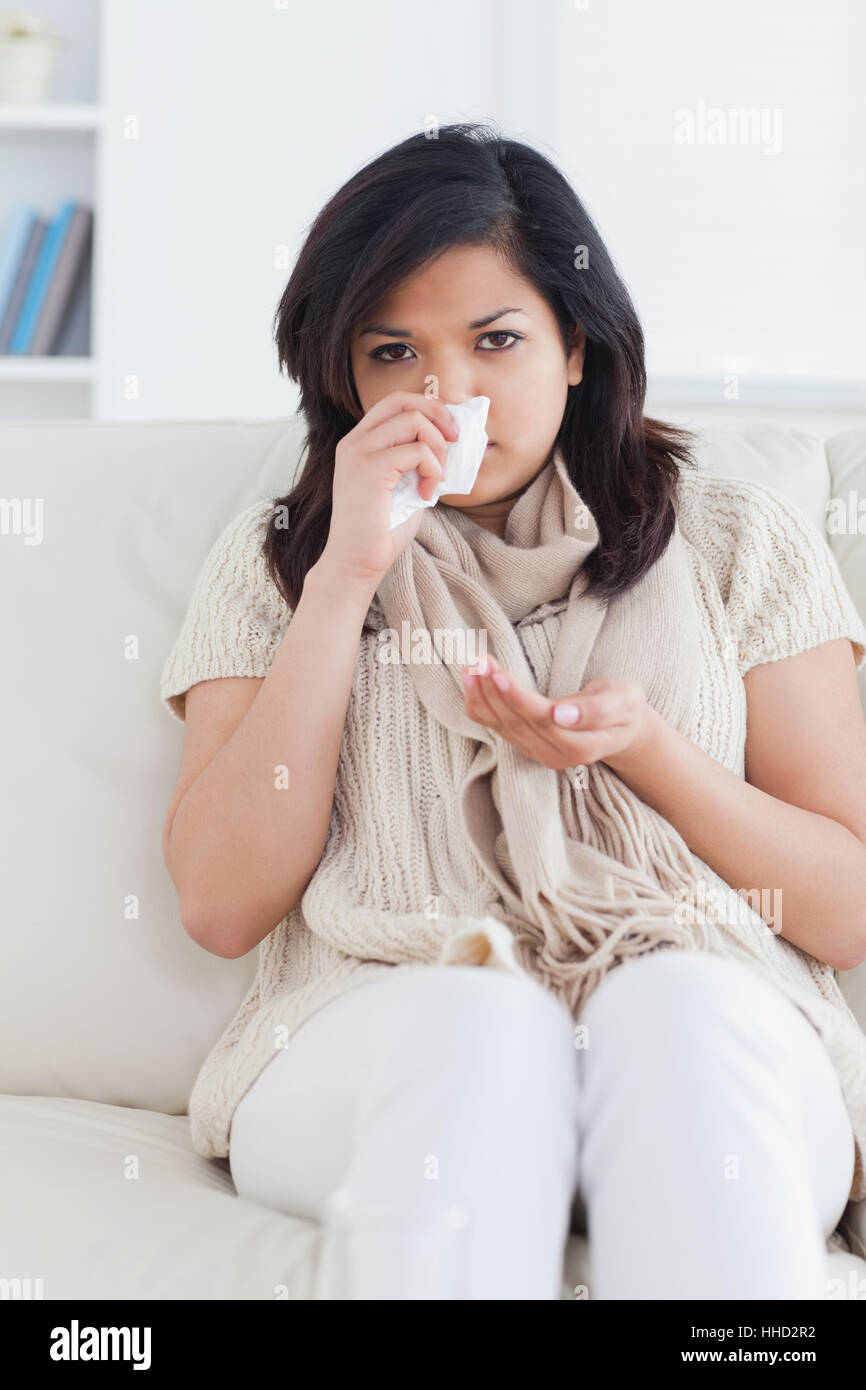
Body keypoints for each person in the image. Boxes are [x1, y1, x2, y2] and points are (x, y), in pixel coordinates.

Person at [160, 122, 866, 1300]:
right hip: (381, 1023)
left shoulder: (738, 540)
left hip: (697, 1005)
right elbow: (221, 904)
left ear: (576, 346)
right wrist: (343, 578)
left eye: (495, 340)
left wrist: (645, 750)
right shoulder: (277, 563)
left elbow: (841, 913)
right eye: (393, 353)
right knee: (482, 1027)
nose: (448, 393)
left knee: (677, 1006)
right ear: (343, 375)